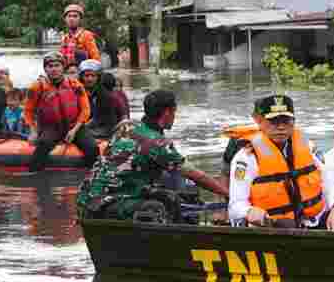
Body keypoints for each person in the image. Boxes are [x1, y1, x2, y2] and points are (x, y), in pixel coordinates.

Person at [77, 90, 230, 221]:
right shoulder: (159, 144)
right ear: (167, 112)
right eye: (174, 112)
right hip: (105, 205)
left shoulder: (126, 126)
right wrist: (228, 193)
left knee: (170, 197)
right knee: (156, 208)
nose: (175, 117)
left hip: (87, 200)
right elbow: (198, 176)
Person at [228, 94, 326, 229]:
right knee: (286, 225)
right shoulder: (246, 158)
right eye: (273, 121)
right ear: (260, 122)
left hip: (309, 222)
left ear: (293, 122)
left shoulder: (307, 147)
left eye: (286, 121)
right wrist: (249, 211)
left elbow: (328, 179)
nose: (280, 127)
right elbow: (235, 206)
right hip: (269, 227)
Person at [24, 52, 98, 171]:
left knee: (93, 148)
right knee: (42, 145)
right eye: (50, 66)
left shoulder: (75, 85)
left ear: (63, 67)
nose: (54, 69)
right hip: (51, 127)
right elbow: (28, 111)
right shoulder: (37, 87)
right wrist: (33, 131)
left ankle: (90, 175)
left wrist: (74, 131)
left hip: (75, 126)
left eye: (57, 65)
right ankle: (35, 179)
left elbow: (85, 110)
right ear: (45, 69)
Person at [79, 60, 126, 139]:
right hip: (87, 126)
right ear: (81, 77)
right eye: (86, 76)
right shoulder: (78, 92)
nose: (89, 79)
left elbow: (100, 120)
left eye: (93, 76)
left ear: (98, 78)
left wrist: (81, 128)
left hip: (104, 130)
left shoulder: (106, 96)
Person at [58, 2, 101, 67]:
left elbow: (96, 59)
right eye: (69, 16)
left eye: (75, 16)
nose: (71, 19)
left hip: (82, 73)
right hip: (68, 73)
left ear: (80, 19)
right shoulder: (64, 38)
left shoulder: (87, 35)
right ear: (65, 19)